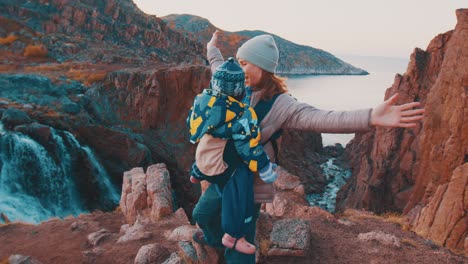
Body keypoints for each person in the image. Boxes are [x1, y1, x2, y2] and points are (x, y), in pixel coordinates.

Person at [192, 30, 425, 263]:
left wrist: (370, 116)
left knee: (241, 242)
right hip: (225, 172)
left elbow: (323, 118)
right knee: (202, 213)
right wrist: (212, 49)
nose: (239, 70)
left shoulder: (282, 104)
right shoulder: (234, 87)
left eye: (245, 64)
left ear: (262, 67)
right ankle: (214, 239)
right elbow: (218, 67)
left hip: (250, 181)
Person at [187, 57, 278, 254]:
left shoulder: (203, 102)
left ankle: (196, 173)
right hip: (227, 170)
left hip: (205, 162)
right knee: (237, 193)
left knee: (207, 146)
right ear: (239, 90)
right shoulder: (241, 114)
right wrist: (263, 166)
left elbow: (195, 130)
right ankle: (233, 236)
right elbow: (249, 147)